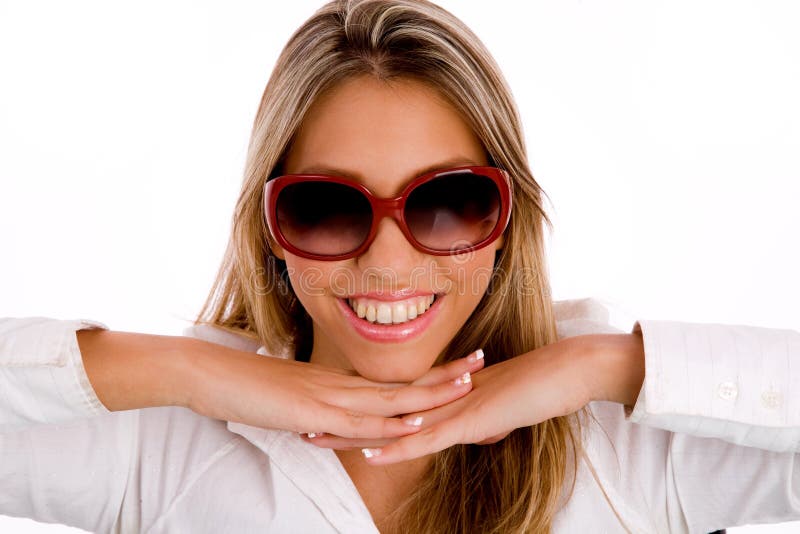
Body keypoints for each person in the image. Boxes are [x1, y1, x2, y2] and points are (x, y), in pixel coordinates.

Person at [1, 1, 798, 533]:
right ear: (271, 227)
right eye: (326, 207)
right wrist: (188, 370)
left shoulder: (627, 447)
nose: (388, 260)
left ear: (505, 217)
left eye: (447, 201)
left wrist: (606, 364)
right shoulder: (160, 447)